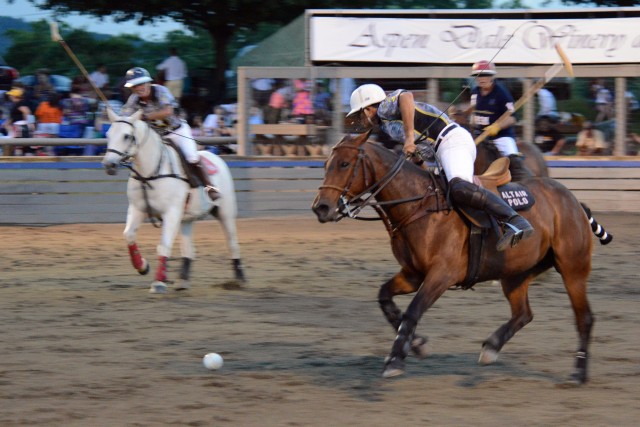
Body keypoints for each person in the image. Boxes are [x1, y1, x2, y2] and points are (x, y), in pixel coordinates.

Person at [347, 83, 533, 251]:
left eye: (360, 114)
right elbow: (417, 152)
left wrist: (410, 137)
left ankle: (515, 220)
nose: (360, 120)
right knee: (437, 196)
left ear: (370, 108)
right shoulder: (387, 127)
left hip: (451, 140)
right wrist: (422, 169)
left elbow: (406, 97)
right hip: (440, 153)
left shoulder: (385, 107)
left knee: (459, 187)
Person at [120, 67, 219, 201]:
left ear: (148, 82)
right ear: (131, 88)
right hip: (158, 136)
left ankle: (210, 187)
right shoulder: (133, 100)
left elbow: (168, 111)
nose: (139, 88)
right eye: (135, 86)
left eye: (142, 83)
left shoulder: (161, 90)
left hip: (177, 130)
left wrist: (145, 116)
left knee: (191, 157)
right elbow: (125, 117)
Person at [467, 60, 532, 181]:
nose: (481, 79)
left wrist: (497, 127)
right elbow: (473, 112)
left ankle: (523, 182)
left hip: (501, 137)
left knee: (513, 158)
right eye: (478, 75)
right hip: (480, 135)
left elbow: (513, 118)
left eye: (485, 75)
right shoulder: (475, 92)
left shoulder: (501, 93)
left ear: (492, 76)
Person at [3, 87, 35, 155]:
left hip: (21, 126)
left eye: (11, 95)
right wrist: (7, 124)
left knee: (22, 146)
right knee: (18, 147)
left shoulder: (21, 103)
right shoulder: (16, 104)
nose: (10, 96)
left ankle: (25, 163)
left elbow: (27, 112)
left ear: (14, 96)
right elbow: (14, 116)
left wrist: (30, 124)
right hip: (17, 126)